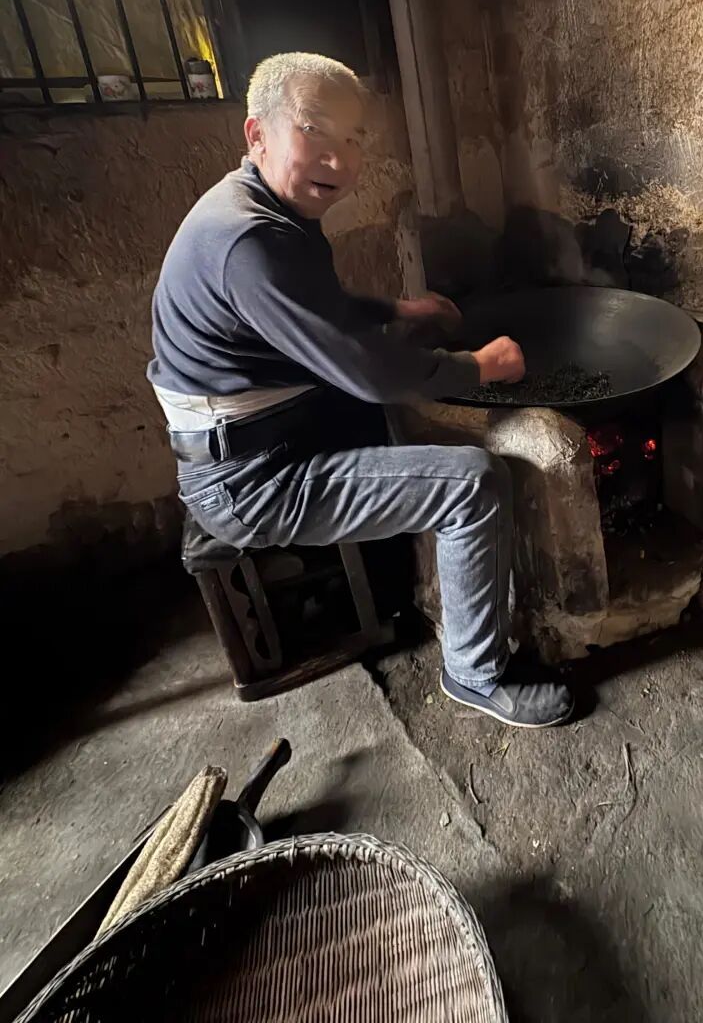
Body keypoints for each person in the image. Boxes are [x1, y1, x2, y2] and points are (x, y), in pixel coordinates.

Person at [148, 51, 573, 728]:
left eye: (353, 138)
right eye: (314, 130)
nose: (339, 159)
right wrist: (479, 366)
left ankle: (422, 579)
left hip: (264, 437)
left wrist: (397, 311)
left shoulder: (261, 209)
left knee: (397, 400)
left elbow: (314, 311)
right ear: (257, 134)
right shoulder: (247, 241)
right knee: (475, 482)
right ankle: (475, 674)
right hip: (251, 479)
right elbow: (369, 374)